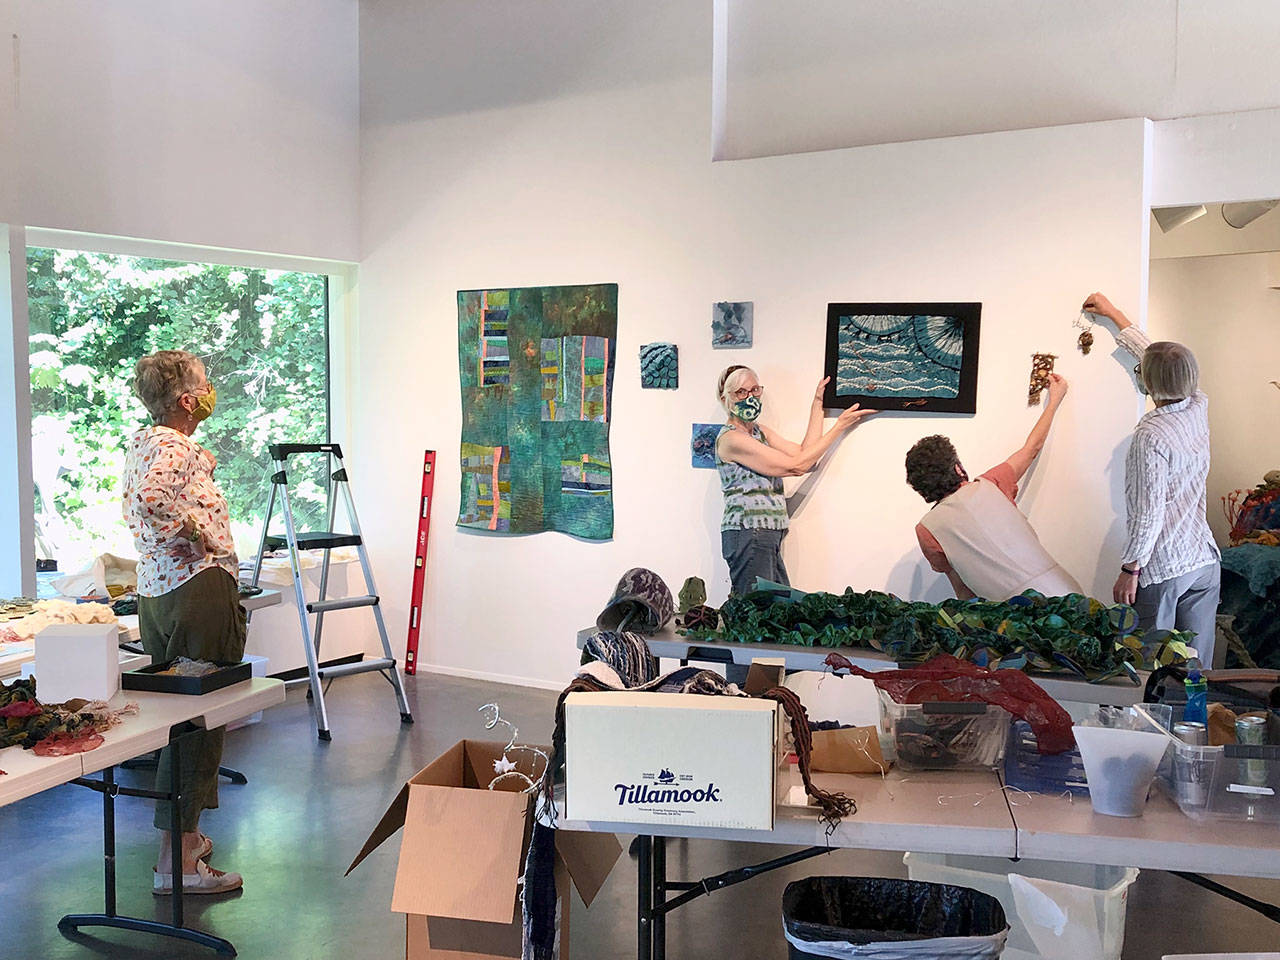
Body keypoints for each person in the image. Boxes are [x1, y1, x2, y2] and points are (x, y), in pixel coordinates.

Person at [122, 350, 246, 895]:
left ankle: (186, 840)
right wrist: (196, 531)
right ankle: (178, 864)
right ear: (188, 400)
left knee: (180, 718)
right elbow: (153, 501)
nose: (212, 389)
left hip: (159, 593)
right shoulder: (176, 446)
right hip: (197, 589)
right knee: (200, 720)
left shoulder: (144, 442)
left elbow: (142, 503)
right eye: (204, 384)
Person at [1083, 292, 1222, 665]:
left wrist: (1130, 569)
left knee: (1150, 673)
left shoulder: (1152, 434)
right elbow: (1161, 358)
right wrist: (1115, 316)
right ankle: (1198, 725)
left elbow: (1149, 513)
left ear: (1147, 379)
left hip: (1164, 569)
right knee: (1196, 673)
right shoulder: (1198, 404)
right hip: (1203, 563)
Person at [906, 374, 1083, 600]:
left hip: (1012, 616)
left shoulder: (927, 530)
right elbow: (1031, 449)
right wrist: (1055, 400)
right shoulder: (992, 483)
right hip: (1065, 594)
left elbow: (963, 591)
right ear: (958, 468)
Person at [714, 365, 874, 595]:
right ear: (725, 398)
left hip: (766, 533)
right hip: (749, 532)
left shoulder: (760, 432)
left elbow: (806, 456)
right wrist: (839, 426)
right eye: (741, 392)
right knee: (756, 615)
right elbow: (796, 466)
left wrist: (818, 404)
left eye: (755, 390)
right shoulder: (731, 439)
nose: (750, 397)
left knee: (775, 611)